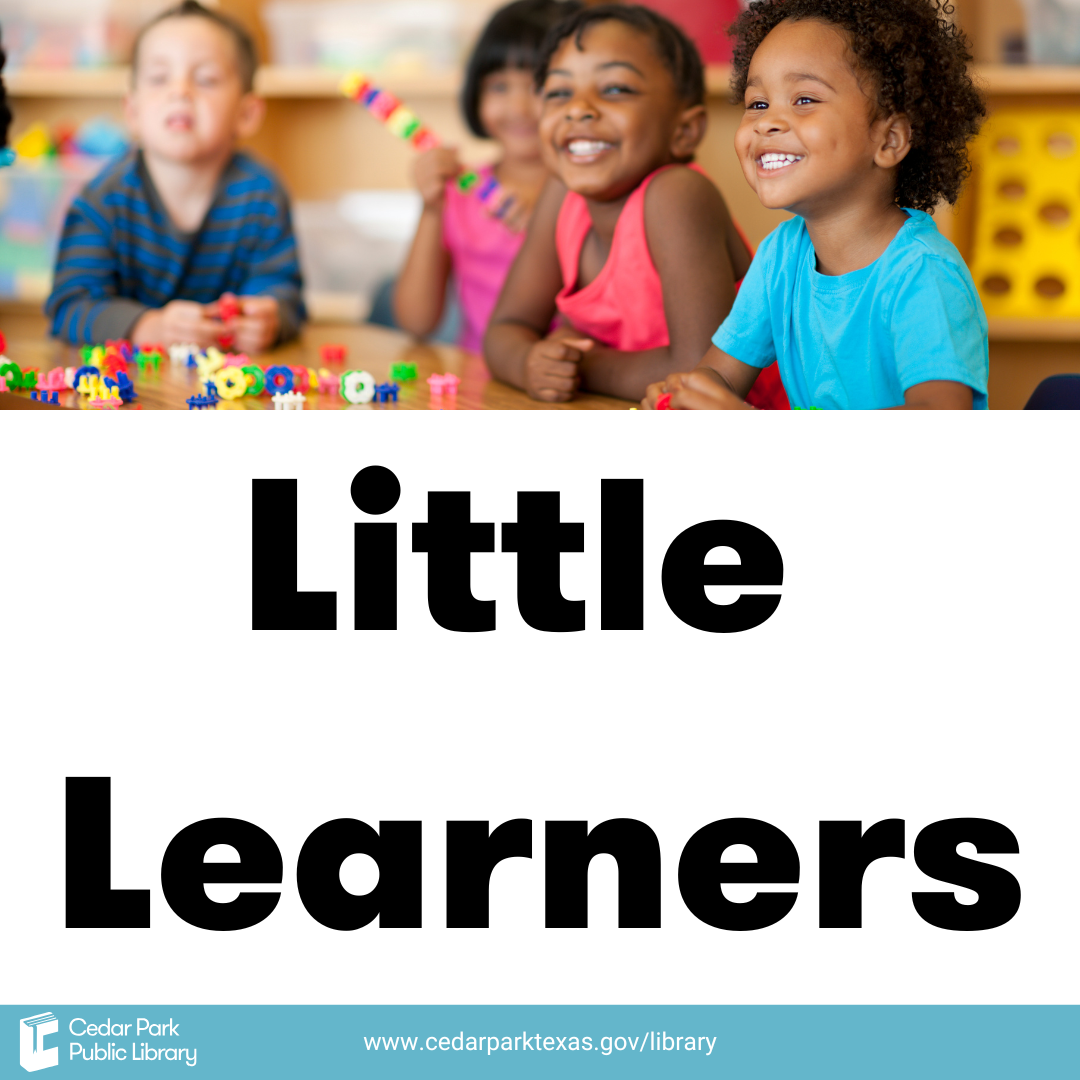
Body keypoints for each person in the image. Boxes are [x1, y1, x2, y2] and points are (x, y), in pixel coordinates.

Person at [643, 0, 988, 410]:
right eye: (757, 103)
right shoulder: (781, 254)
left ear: (889, 140)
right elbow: (719, 372)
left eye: (804, 99)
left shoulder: (922, 273)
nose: (766, 121)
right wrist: (689, 395)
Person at [484, 4, 786, 406]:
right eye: (559, 92)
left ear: (683, 130)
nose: (578, 108)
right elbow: (506, 327)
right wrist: (529, 363)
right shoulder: (562, 195)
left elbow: (698, 374)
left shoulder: (677, 195)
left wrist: (580, 367)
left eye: (614, 89)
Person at [45, 0, 302, 352]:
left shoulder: (261, 195)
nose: (179, 91)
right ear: (132, 112)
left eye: (206, 79)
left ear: (246, 113)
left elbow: (286, 296)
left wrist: (269, 320)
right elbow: (68, 307)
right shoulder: (103, 199)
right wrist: (148, 328)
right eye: (158, 78)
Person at [394, 0, 581, 354]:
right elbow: (416, 321)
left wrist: (544, 233)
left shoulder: (591, 190)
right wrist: (431, 208)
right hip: (482, 392)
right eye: (499, 86)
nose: (518, 108)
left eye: (538, 87)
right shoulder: (461, 192)